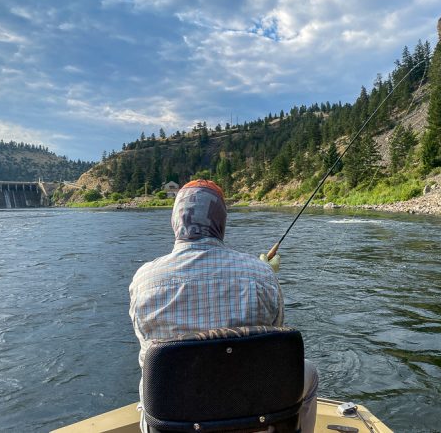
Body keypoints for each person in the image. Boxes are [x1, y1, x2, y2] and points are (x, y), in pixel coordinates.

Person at [129, 179, 318, 432]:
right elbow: (275, 337)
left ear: (176, 221)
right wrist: (267, 274)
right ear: (221, 222)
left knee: (147, 380)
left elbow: (146, 348)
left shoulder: (144, 280)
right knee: (310, 372)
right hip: (249, 409)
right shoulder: (261, 274)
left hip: (176, 417)